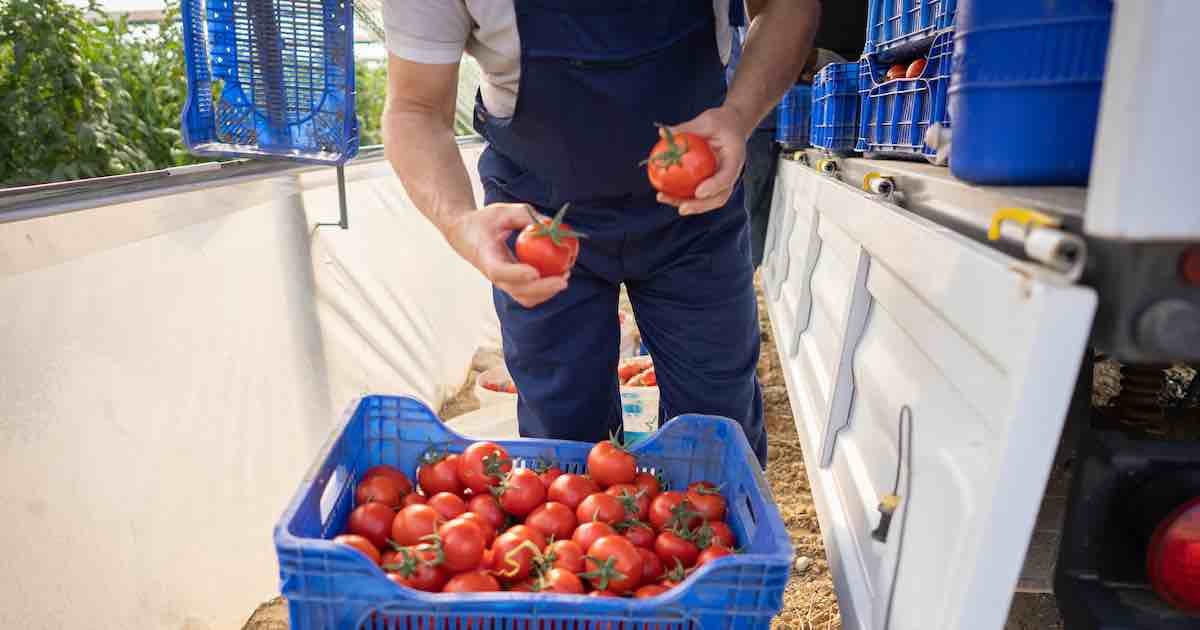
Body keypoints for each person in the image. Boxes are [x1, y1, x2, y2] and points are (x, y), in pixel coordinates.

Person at [380, 0, 820, 468]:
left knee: (717, 428)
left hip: (695, 207)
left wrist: (739, 114)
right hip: (540, 221)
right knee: (564, 437)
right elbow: (415, 108)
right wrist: (457, 221)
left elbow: (788, 8)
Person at [731, 2, 868, 269]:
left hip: (767, 123)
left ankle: (746, 268)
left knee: (754, 222)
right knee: (744, 218)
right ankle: (741, 269)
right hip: (753, 124)